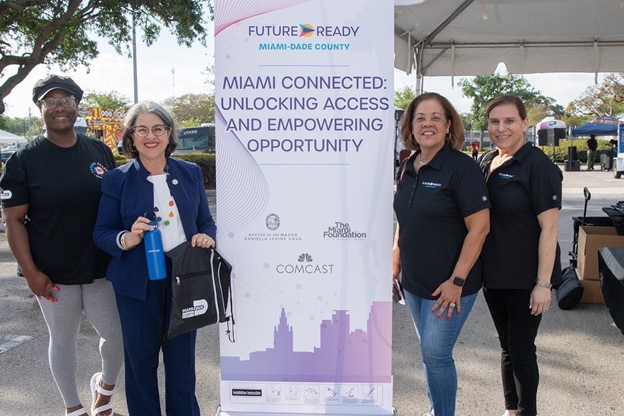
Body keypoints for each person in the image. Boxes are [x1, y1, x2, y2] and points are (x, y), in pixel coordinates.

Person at [0, 75, 123, 416]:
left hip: (102, 268)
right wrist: (30, 273)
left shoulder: (98, 150)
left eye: (66, 100)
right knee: (63, 340)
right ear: (39, 108)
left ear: (76, 106)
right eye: (49, 101)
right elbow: (13, 221)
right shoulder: (25, 160)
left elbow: (116, 204)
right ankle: (73, 408)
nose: (59, 107)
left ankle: (104, 390)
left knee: (117, 337)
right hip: (53, 274)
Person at [93, 101, 216, 415]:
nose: (151, 136)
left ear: (169, 133)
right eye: (142, 129)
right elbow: (101, 232)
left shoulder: (189, 172)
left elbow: (205, 220)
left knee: (182, 367)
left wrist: (206, 235)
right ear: (131, 137)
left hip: (184, 283)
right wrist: (126, 237)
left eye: (158, 128)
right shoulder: (117, 180)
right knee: (141, 366)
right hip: (136, 287)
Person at [393, 92, 491, 416]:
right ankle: (438, 409)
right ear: (411, 125)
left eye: (436, 117)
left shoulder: (461, 168)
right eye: (420, 117)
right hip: (415, 282)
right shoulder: (407, 165)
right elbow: (404, 219)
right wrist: (396, 258)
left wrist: (457, 281)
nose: (428, 124)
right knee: (427, 351)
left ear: (449, 125)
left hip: (449, 285)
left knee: (436, 353)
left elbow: (480, 228)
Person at [479, 95, 562, 416]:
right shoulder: (487, 161)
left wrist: (544, 282)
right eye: (495, 122)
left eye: (509, 121)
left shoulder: (538, 166)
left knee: (522, 350)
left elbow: (551, 229)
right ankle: (511, 410)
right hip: (494, 274)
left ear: (525, 123)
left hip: (527, 277)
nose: (502, 128)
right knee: (507, 347)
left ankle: (528, 411)